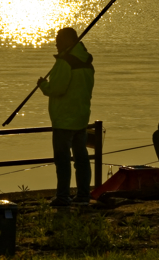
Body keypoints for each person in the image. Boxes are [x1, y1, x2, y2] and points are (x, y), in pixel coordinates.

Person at [37, 27, 95, 206]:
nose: (55, 43)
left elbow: (57, 89)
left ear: (69, 41)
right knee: (82, 159)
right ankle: (84, 195)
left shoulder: (65, 62)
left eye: (59, 40)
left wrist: (43, 86)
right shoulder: (86, 62)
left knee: (62, 161)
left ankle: (63, 197)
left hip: (64, 120)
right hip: (81, 118)